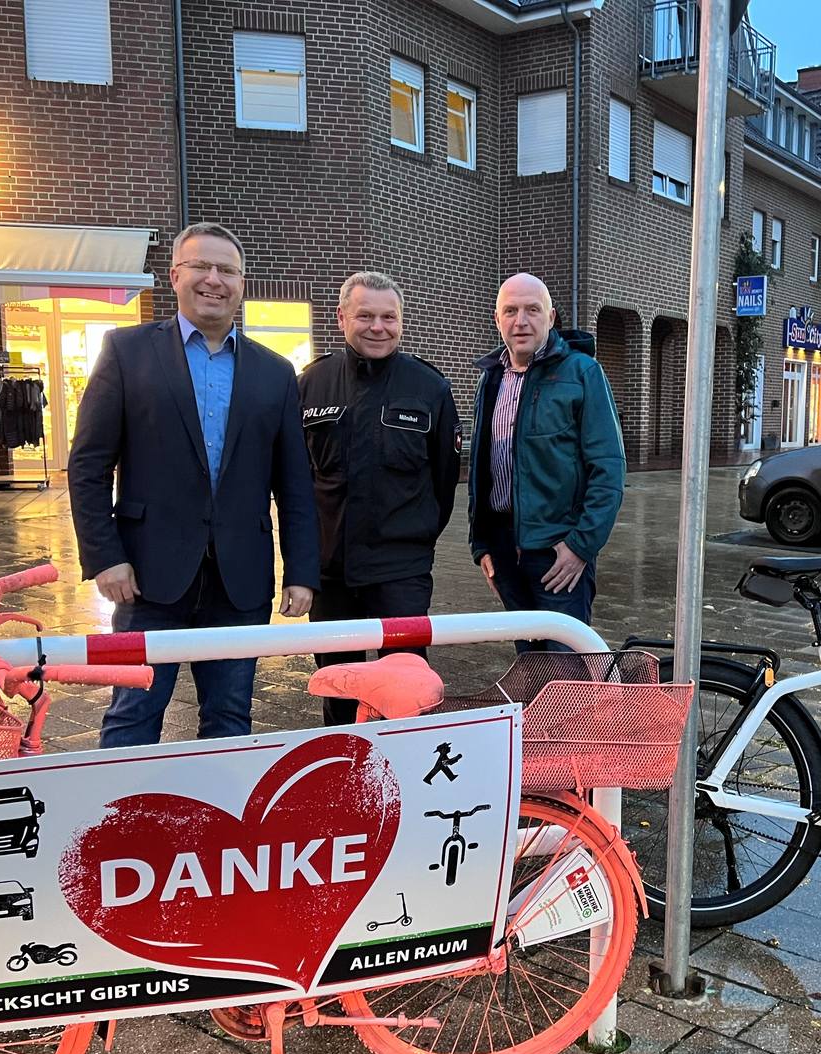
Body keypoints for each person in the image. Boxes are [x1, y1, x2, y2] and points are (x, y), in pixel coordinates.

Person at [67, 221, 319, 747]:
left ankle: (214, 825)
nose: (213, 280)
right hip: (146, 575)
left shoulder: (275, 373)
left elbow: (295, 482)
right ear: (175, 275)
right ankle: (119, 825)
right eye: (201, 267)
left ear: (242, 283)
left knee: (229, 720)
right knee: (134, 712)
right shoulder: (126, 352)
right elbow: (88, 464)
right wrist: (104, 555)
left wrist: (301, 572)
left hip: (240, 580)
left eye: (226, 270)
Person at [300, 271, 461, 725]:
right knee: (338, 686)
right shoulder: (311, 384)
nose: (378, 326)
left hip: (400, 574)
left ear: (401, 321)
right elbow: (297, 480)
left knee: (407, 691)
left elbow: (444, 483)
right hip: (331, 574)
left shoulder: (430, 388)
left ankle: (404, 777)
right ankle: (343, 772)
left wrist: (415, 537)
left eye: (389, 317)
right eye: (365, 316)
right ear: (341, 318)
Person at [467, 273, 625, 650]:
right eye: (511, 311)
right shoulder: (490, 378)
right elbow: (480, 467)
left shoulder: (582, 373)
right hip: (504, 552)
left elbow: (609, 468)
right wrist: (482, 545)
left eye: (532, 310)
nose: (521, 320)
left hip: (558, 554)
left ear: (551, 317)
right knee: (530, 668)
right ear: (497, 319)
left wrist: (580, 547)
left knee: (565, 676)